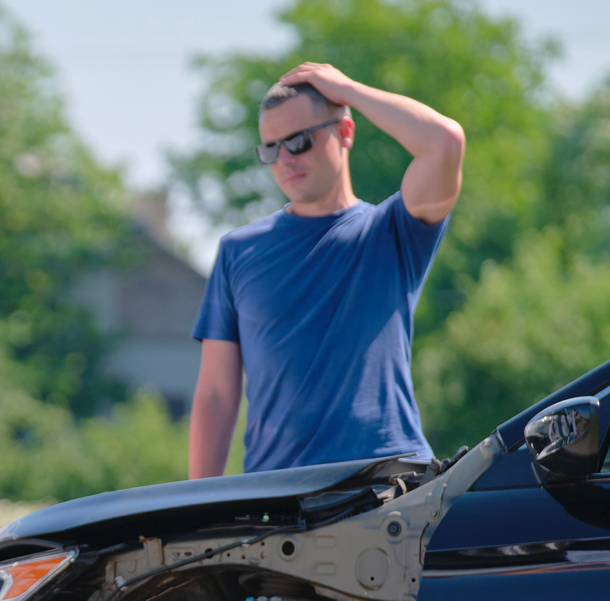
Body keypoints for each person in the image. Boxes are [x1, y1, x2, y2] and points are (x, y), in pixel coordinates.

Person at [187, 63, 465, 477]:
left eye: (299, 141)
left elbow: (444, 142)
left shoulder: (391, 230)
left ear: (345, 133)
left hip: (390, 486)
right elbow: (215, 394)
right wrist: (198, 510)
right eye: (270, 149)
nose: (284, 159)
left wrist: (349, 90)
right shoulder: (237, 251)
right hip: (276, 498)